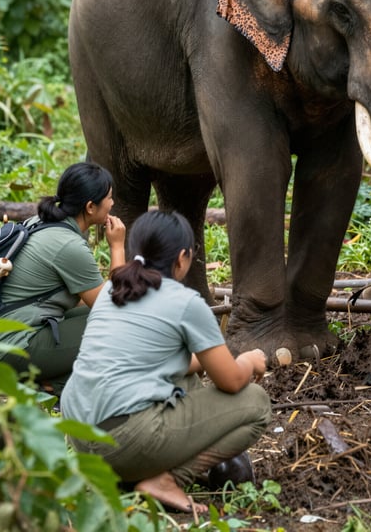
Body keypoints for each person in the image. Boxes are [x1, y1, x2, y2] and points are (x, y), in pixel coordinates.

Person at [61, 210, 272, 514]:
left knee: (187, 379)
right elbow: (232, 381)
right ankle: (168, 479)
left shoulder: (112, 290)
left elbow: (159, 362)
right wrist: (249, 361)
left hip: (81, 436)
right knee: (256, 403)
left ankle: (132, 474)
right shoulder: (186, 302)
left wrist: (204, 362)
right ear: (183, 258)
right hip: (124, 440)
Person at [0, 161, 126, 395]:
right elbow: (115, 306)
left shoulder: (41, 222)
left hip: (3, 339)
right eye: (109, 198)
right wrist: (117, 247)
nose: (113, 203)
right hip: (18, 347)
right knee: (119, 324)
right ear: (90, 207)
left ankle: (48, 379)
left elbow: (85, 298)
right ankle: (53, 384)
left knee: (94, 314)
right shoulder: (68, 245)